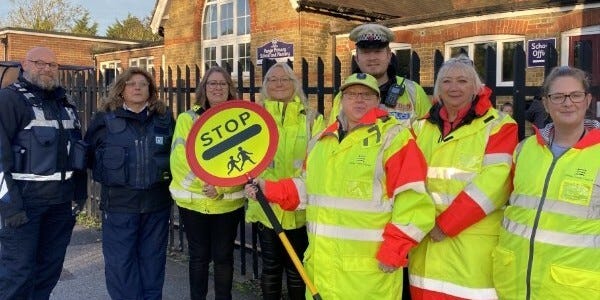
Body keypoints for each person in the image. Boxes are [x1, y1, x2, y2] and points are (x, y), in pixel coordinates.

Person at [245, 72, 435, 299]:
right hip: (322, 272)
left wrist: (394, 250)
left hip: (368, 274)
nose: (359, 100)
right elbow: (307, 188)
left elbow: (414, 201)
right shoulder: (322, 140)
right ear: (341, 101)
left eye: (366, 95)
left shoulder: (394, 139)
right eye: (352, 94)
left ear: (377, 101)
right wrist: (268, 189)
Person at [409, 55, 518, 299]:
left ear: (476, 88)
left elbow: (495, 184)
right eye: (446, 81)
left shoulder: (499, 125)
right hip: (424, 245)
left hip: (471, 249)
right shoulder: (419, 128)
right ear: (438, 89)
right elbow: (407, 180)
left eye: (462, 81)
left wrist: (445, 225)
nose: (454, 87)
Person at [493, 66, 600, 300]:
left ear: (588, 100)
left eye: (575, 95)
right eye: (558, 97)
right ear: (546, 103)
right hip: (514, 284)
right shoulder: (524, 149)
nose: (567, 103)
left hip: (574, 289)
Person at [0, 46, 87, 299]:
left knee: (48, 273)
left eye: (52, 65)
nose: (46, 69)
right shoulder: (9, 99)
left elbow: (77, 151)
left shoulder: (65, 103)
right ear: (24, 65)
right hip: (24, 205)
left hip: (60, 206)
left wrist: (78, 195)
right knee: (17, 275)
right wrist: (10, 207)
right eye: (39, 63)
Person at [85, 67, 174, 300]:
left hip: (156, 206)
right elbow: (89, 154)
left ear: (150, 91)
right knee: (121, 265)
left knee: (153, 263)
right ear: (121, 89)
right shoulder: (104, 119)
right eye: (131, 84)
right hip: (119, 207)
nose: (137, 88)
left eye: (143, 84)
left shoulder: (164, 119)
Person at [244, 62, 324, 300]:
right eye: (273, 79)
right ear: (265, 86)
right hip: (265, 207)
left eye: (285, 79)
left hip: (298, 208)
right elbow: (244, 160)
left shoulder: (312, 119)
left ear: (294, 84)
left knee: (298, 269)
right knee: (270, 268)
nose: (279, 83)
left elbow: (318, 162)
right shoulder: (255, 119)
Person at [169, 66, 245, 300]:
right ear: (204, 88)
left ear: (229, 88)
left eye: (222, 84)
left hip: (227, 203)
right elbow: (181, 159)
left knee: (223, 257)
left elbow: (245, 160)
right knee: (198, 257)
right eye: (212, 83)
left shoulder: (240, 118)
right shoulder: (187, 118)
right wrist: (209, 182)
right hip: (195, 201)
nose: (217, 88)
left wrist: (221, 186)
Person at [328, 23, 431, 127]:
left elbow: (429, 136)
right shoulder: (343, 96)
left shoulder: (413, 92)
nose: (372, 57)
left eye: (378, 51)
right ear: (356, 59)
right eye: (365, 52)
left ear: (389, 55)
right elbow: (333, 137)